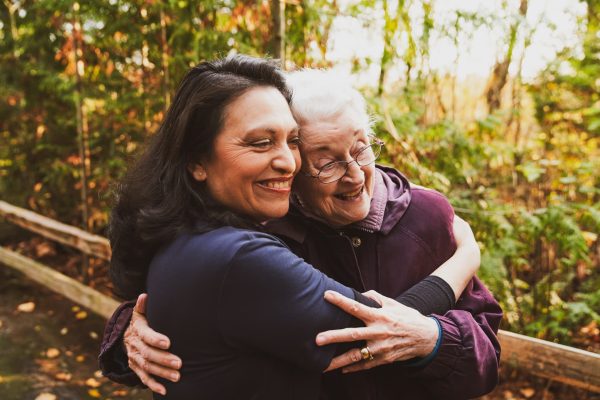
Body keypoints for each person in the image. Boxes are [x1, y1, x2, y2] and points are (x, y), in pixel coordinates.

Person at [100, 60, 502, 399]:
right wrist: (465, 258)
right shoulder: (262, 226)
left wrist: (432, 339)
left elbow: (486, 348)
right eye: (325, 161)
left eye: (361, 147)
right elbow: (218, 294)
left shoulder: (428, 215)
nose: (355, 175)